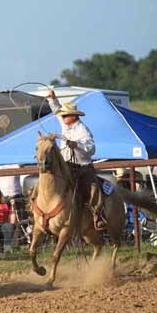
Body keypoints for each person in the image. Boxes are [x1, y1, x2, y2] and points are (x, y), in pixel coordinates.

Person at [47, 90, 106, 229]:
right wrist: (52, 99)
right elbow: (56, 111)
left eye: (65, 115)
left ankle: (97, 214)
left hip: (83, 167)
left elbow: (91, 149)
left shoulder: (83, 130)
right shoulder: (65, 123)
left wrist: (77, 145)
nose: (63, 117)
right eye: (63, 115)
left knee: (93, 190)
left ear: (73, 116)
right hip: (66, 165)